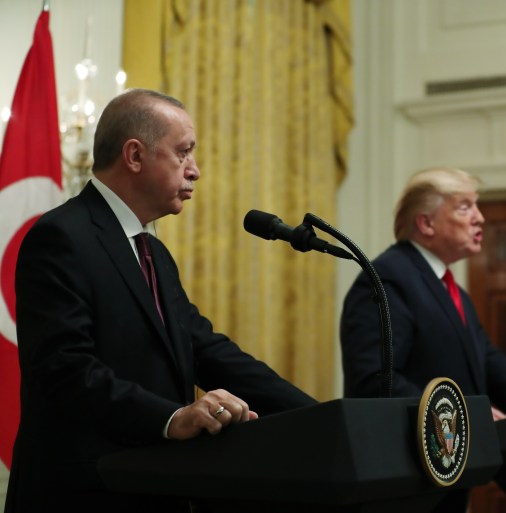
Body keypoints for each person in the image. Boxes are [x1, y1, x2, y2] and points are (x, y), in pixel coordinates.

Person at [5, 89, 317, 513]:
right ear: (135, 155)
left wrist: (317, 417)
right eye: (183, 153)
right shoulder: (62, 237)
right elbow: (66, 369)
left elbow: (205, 348)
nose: (196, 171)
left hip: (153, 487)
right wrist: (171, 419)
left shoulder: (154, 253)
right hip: (82, 492)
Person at [340, 167, 506, 511]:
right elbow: (375, 380)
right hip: (402, 478)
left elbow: (490, 363)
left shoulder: (453, 292)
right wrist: (461, 415)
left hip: (446, 467)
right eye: (465, 207)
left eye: (476, 206)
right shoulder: (387, 279)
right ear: (426, 224)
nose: (480, 218)